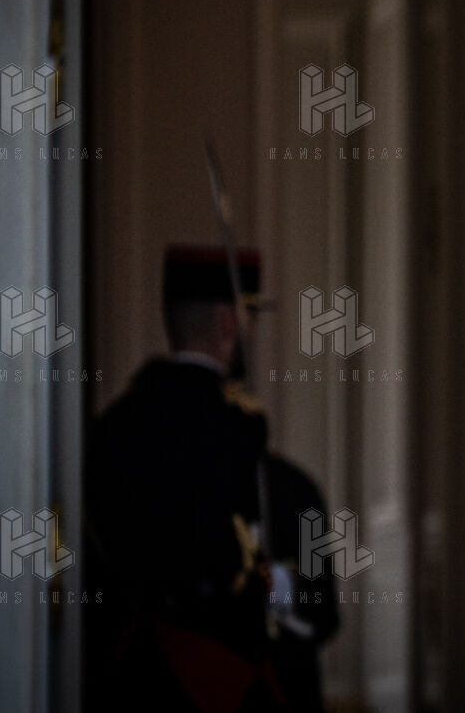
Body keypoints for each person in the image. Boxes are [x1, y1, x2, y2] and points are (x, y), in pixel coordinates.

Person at [86, 245, 337, 713]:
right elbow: (307, 609)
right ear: (228, 323)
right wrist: (280, 583)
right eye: (250, 319)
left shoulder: (109, 432)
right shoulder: (257, 456)